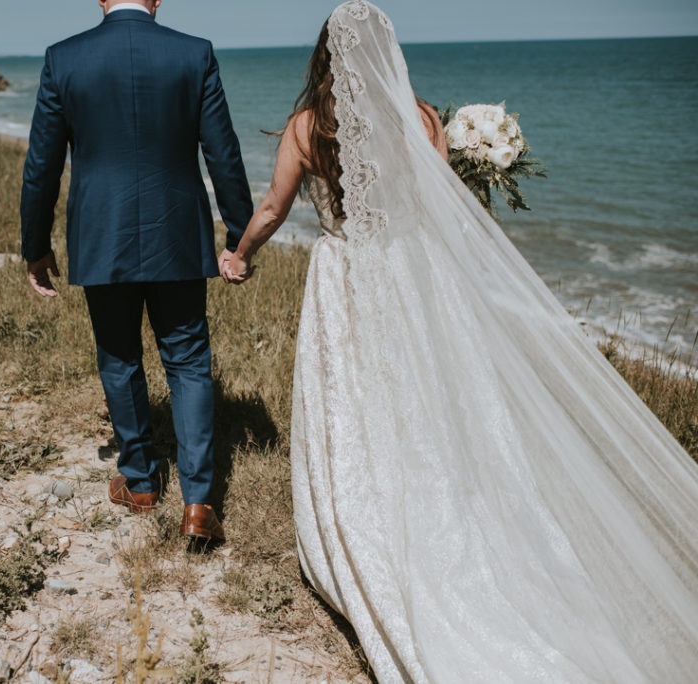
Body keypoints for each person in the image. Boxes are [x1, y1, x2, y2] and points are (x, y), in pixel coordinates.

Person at [223, 2, 698, 681]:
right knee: (428, 395)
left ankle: (373, 516)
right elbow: (438, 203)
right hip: (415, 276)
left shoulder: (306, 126)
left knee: (359, 401)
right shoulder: (421, 117)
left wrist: (239, 252)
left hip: (349, 282)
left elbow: (272, 206)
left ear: (324, 55)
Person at [20, 0, 253, 543]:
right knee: (190, 361)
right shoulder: (194, 54)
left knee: (119, 355)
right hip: (178, 232)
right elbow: (223, 153)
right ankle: (198, 505)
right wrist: (240, 235)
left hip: (103, 234)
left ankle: (142, 481)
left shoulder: (64, 58)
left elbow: (41, 166)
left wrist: (36, 246)